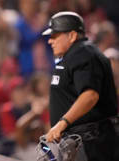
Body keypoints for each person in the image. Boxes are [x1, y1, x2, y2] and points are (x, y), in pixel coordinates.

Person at [43, 11, 118, 161]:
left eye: (55, 35)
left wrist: (62, 123)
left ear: (71, 35)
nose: (50, 41)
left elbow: (90, 95)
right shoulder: (74, 55)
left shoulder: (84, 53)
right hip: (82, 142)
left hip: (92, 143)